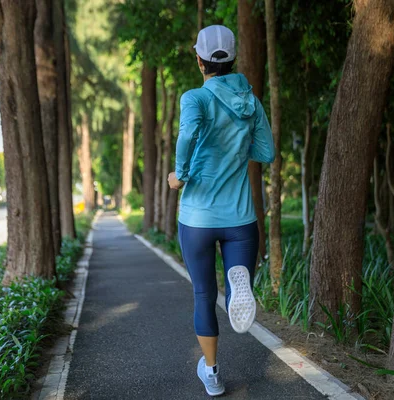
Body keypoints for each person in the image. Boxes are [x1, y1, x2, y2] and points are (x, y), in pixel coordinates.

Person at [167, 25, 275, 397]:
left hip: (197, 218)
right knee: (232, 285)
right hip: (241, 219)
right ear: (233, 60)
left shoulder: (195, 98)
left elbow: (187, 136)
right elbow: (266, 153)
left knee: (201, 294)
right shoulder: (251, 102)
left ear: (200, 61)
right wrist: (236, 144)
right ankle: (236, 287)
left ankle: (212, 374)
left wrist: (179, 176)